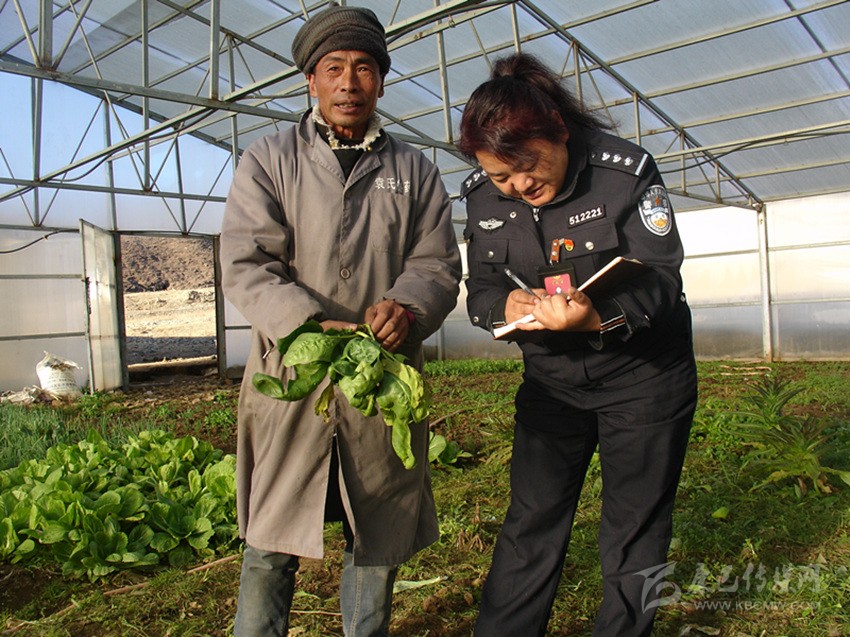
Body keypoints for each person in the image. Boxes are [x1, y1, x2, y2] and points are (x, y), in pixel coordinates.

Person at [219, 4, 462, 635]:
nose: (349, 83)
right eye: (334, 68)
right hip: (293, 380)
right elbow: (246, 262)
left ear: (380, 81)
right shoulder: (270, 160)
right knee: (271, 543)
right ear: (311, 80)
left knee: (374, 540)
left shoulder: (414, 170)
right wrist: (304, 324)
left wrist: (406, 308)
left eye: (363, 68)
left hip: (379, 383)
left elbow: (437, 263)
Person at [457, 53, 697, 636]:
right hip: (552, 383)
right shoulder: (481, 196)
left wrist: (597, 317)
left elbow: (661, 277)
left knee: (634, 528)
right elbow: (481, 287)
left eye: (526, 166)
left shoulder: (624, 172)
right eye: (501, 177)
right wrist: (503, 308)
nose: (518, 186)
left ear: (559, 132)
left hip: (643, 377)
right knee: (532, 519)